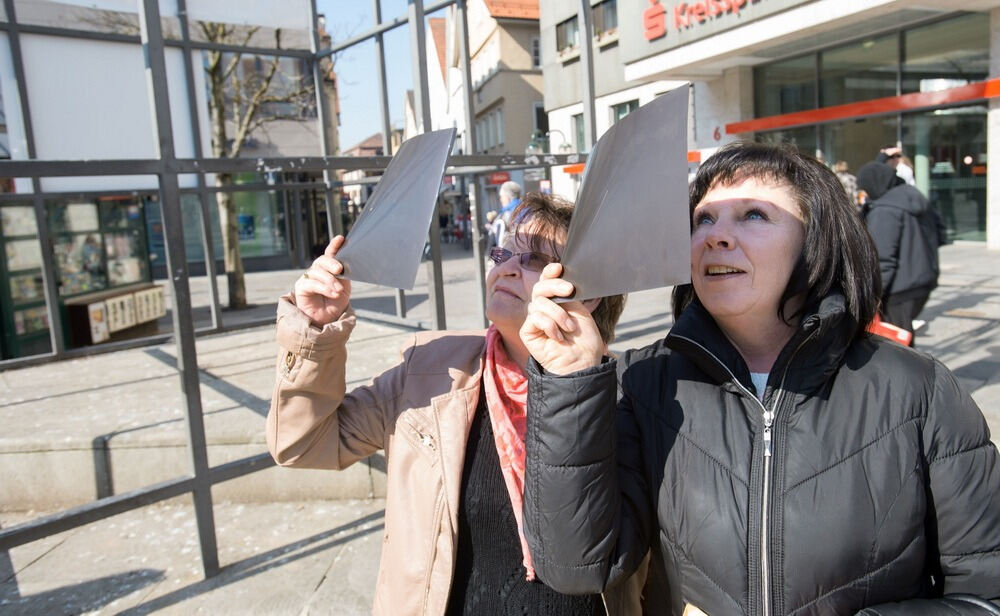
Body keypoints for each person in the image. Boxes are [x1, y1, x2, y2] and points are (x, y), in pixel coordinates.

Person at [519, 142, 1000, 615]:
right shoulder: (645, 382)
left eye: (752, 215)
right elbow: (578, 566)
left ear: (816, 241)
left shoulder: (919, 390)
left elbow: (986, 594)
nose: (716, 236)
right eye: (703, 219)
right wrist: (569, 381)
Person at [267, 194, 638, 615]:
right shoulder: (429, 372)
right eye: (502, 253)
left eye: (534, 259)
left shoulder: (631, 390)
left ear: (588, 295)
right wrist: (314, 333)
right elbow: (303, 444)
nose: (505, 267)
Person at [857, 159, 946, 338]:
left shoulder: (885, 210)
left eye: (865, 188)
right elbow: (941, 235)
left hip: (899, 288)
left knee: (895, 344)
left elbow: (881, 259)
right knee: (903, 335)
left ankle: (915, 367)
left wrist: (872, 297)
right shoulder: (915, 196)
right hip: (923, 281)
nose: (865, 193)